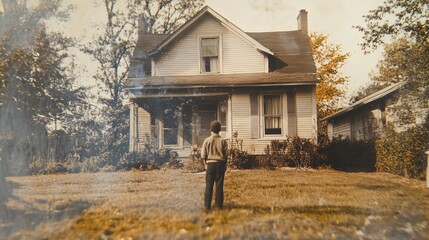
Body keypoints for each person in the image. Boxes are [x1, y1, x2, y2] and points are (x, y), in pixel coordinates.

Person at [201, 120, 228, 211]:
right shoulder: (223, 141)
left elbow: (203, 155)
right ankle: (218, 206)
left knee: (209, 185)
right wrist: (225, 164)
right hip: (220, 164)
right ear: (219, 129)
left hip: (210, 164)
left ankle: (207, 206)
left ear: (211, 129)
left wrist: (205, 163)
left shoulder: (207, 140)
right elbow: (226, 154)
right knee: (219, 185)